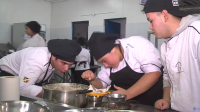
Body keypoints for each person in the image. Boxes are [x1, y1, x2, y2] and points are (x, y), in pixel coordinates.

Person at [143, 0, 200, 111]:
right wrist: (166, 100)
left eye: (151, 21)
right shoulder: (165, 46)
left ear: (164, 15)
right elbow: (168, 77)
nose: (150, 27)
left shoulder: (196, 34)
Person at [81, 32, 163, 106]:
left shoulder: (136, 44)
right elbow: (101, 85)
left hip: (153, 105)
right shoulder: (109, 64)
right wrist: (92, 79)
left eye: (104, 60)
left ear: (113, 50)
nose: (105, 65)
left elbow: (153, 73)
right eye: (102, 63)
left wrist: (128, 93)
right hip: (129, 106)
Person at [0, 39, 81, 98]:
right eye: (64, 63)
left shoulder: (53, 59)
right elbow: (22, 88)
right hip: (6, 75)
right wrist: (53, 95)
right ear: (53, 57)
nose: (66, 69)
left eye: (70, 65)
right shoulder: (36, 60)